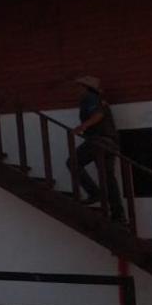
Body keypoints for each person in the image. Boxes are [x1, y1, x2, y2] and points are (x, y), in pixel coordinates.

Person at [67, 75, 126, 224]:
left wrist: (81, 127)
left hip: (99, 141)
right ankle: (118, 214)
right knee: (108, 178)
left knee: (73, 162)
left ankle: (94, 193)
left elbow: (98, 115)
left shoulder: (89, 98)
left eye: (79, 86)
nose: (76, 90)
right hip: (111, 143)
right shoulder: (99, 99)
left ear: (85, 87)